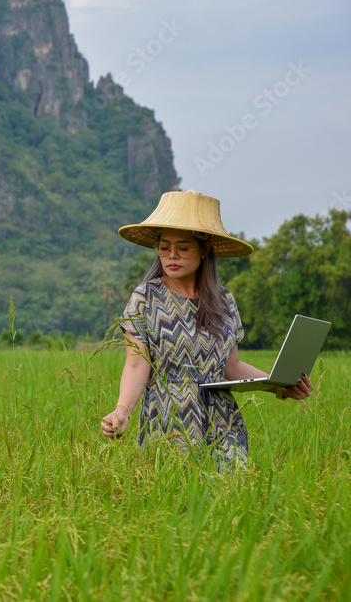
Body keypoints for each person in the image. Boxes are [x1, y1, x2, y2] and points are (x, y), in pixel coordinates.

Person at [99, 190, 313, 466]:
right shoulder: (146, 298)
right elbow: (137, 364)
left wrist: (280, 385)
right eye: (164, 247)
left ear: (205, 249)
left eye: (183, 247)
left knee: (231, 498)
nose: (171, 255)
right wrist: (122, 409)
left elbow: (231, 366)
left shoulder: (224, 301)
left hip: (223, 422)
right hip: (167, 421)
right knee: (175, 500)